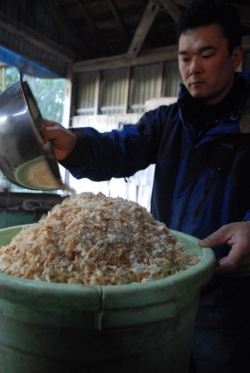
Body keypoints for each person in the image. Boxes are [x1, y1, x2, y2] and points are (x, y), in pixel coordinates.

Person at [41, 1, 250, 371]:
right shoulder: (167, 122)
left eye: (206, 54)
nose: (193, 68)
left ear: (235, 56)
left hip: (229, 304)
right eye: (184, 57)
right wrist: (75, 145)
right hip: (165, 290)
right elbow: (120, 147)